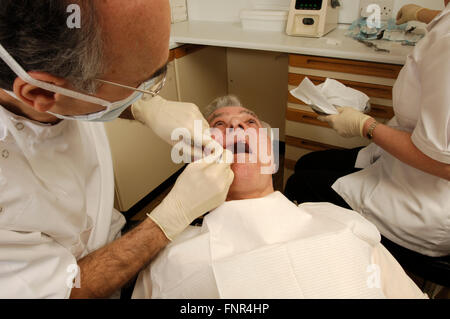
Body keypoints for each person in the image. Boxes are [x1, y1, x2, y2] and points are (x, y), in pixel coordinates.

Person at [0, 1, 233, 298]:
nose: (148, 91)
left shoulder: (64, 78)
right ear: (42, 92)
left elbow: (90, 100)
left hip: (108, 235)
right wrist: (168, 220)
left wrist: (142, 106)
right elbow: (66, 290)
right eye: (139, 84)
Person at [131, 96, 426, 299]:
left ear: (271, 156)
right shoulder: (169, 255)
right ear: (195, 158)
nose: (236, 127)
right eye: (218, 125)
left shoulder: (341, 220)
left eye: (250, 123)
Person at [285, 1, 450, 258]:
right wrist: (424, 14)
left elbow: (445, 164)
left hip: (421, 208)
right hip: (401, 167)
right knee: (307, 162)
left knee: (300, 183)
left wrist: (366, 126)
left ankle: (324, 268)